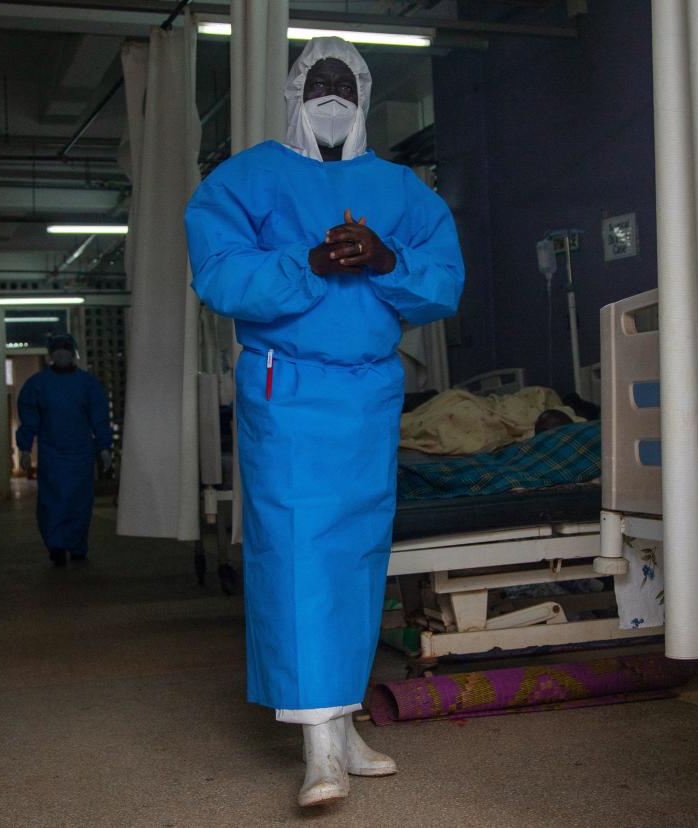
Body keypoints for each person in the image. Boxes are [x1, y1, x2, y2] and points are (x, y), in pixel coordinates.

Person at [184, 38, 464, 808]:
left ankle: (341, 726)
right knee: (299, 554)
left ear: (365, 95)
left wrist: (383, 260)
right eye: (319, 79)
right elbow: (218, 272)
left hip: (369, 394)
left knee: (358, 555)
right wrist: (306, 262)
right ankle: (316, 751)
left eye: (346, 81)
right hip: (288, 389)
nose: (332, 92)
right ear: (294, 91)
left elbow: (442, 280)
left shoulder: (400, 190)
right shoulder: (245, 180)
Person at [16, 334, 113, 567]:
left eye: (65, 349)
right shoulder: (38, 385)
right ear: (51, 354)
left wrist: (104, 446)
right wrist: (25, 448)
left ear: (73, 353)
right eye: (57, 350)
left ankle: (77, 545)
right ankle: (57, 546)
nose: (62, 354)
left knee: (79, 503)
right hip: (52, 454)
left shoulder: (87, 384)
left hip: (80, 453)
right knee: (52, 501)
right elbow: (29, 419)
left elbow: (99, 417)